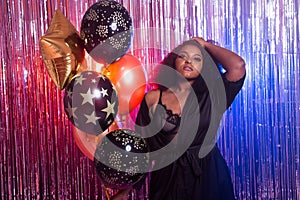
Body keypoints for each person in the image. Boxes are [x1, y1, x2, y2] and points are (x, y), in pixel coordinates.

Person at [111, 37, 246, 200]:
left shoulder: (213, 96)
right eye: (183, 55)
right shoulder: (152, 98)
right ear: (174, 60)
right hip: (167, 178)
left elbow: (238, 67)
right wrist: (126, 191)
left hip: (207, 176)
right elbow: (144, 149)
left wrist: (205, 45)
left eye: (197, 58)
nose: (189, 60)